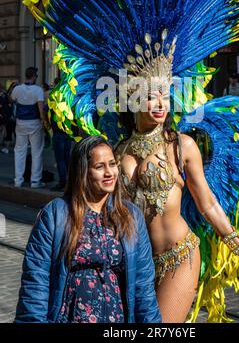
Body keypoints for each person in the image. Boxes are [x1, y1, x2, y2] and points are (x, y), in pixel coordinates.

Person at [16, 0, 239, 322]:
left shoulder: (183, 145)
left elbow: (207, 201)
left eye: (165, 95)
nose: (160, 103)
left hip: (181, 253)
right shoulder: (117, 153)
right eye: (150, 95)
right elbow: (96, 209)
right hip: (135, 266)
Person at [15, 136, 161, 323]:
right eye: (99, 167)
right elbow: (36, 282)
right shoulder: (55, 214)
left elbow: (143, 286)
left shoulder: (131, 215)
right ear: (82, 172)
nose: (109, 172)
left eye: (112, 164)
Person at [10, 67, 49, 188]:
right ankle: (35, 181)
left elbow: (11, 99)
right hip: (34, 123)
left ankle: (18, 180)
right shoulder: (38, 90)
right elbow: (41, 109)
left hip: (21, 122)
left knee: (19, 151)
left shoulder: (17, 89)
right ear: (34, 76)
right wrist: (45, 122)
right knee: (36, 151)